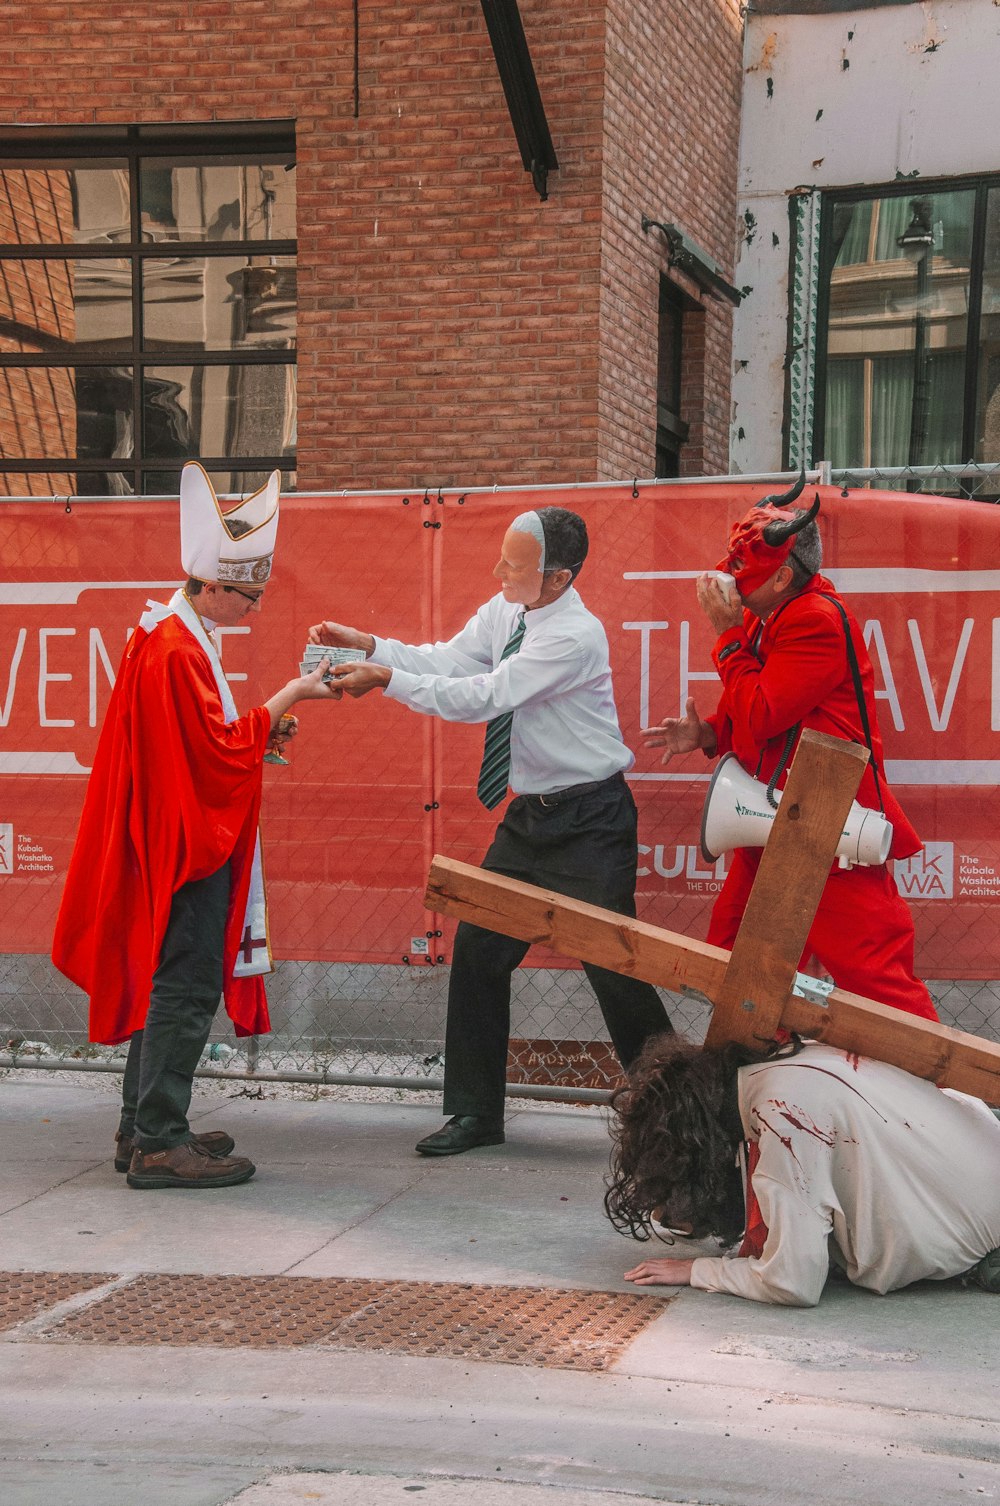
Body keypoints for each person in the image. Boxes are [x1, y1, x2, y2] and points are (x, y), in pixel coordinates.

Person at [308, 506, 673, 1155]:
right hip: (531, 818)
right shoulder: (508, 610)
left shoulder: (575, 635)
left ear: (558, 578)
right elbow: (448, 660)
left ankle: (675, 1120)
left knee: (614, 965)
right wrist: (369, 646)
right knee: (479, 951)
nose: (499, 570)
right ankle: (476, 1114)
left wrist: (387, 680)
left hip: (592, 821)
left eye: (516, 563)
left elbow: (484, 695)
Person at [52, 462, 335, 1190]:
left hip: (165, 836)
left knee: (166, 981)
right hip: (185, 846)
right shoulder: (178, 648)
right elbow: (210, 750)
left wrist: (258, 732)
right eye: (250, 594)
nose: (256, 607)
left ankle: (142, 1122)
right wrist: (285, 699)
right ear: (213, 584)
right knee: (186, 984)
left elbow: (192, 742)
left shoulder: (167, 632)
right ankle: (158, 1140)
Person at [643, 476, 937, 1021]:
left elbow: (762, 712)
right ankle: (748, 1083)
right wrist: (708, 733)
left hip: (825, 819)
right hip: (776, 812)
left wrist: (728, 635)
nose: (729, 579)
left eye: (741, 570)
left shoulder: (815, 620)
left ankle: (946, 1098)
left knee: (875, 977)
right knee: (736, 963)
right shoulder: (770, 610)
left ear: (782, 575)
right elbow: (761, 717)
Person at [606, 1032, 1000, 1307]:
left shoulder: (781, 1113)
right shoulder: (783, 1065)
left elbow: (793, 1282)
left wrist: (698, 1271)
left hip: (976, 1234)